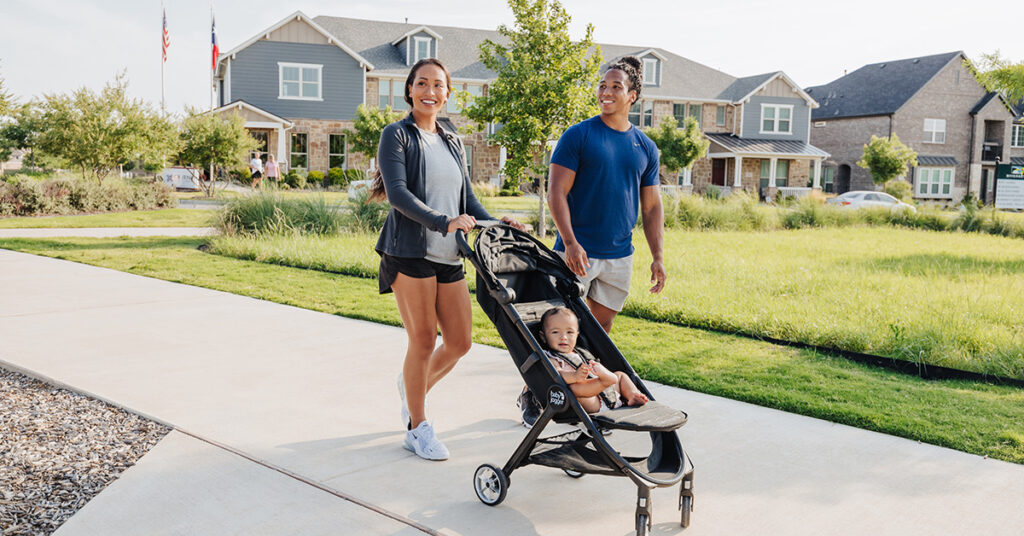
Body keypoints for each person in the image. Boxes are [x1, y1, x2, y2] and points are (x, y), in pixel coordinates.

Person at [373, 58, 525, 461]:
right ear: (409, 90)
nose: (429, 91)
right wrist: (445, 222)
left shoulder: (452, 140)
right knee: (423, 340)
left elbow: (466, 201)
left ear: (447, 93)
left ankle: (412, 390)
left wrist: (497, 222)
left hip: (449, 255)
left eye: (438, 85)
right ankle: (417, 427)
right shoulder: (397, 136)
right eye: (421, 83)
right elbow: (398, 195)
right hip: (410, 252)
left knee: (459, 342)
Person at [517, 56, 666, 427]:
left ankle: (585, 397)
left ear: (632, 96)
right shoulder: (579, 135)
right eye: (603, 85)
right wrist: (569, 242)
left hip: (619, 258)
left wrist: (658, 256)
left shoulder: (645, 147)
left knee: (594, 339)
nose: (606, 91)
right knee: (555, 334)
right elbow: (556, 193)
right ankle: (532, 394)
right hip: (575, 254)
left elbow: (651, 208)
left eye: (616, 86)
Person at [540, 307, 648, 414]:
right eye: (555, 332)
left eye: (569, 332)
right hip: (590, 400)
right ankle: (606, 380)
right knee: (573, 389)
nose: (563, 337)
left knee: (621, 375)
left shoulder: (579, 352)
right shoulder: (551, 357)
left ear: (577, 335)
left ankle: (633, 395)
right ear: (543, 336)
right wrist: (574, 376)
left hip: (607, 391)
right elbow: (556, 373)